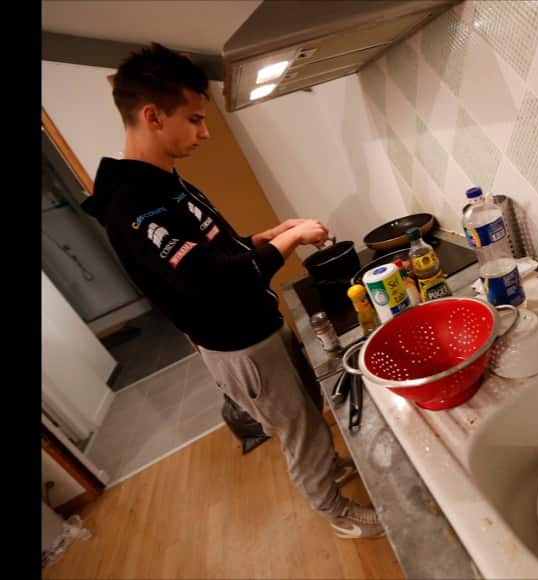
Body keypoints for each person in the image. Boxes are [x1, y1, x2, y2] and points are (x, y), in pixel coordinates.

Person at [81, 43, 384, 539]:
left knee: (308, 412)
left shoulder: (164, 184)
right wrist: (290, 240)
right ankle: (336, 512)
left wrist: (265, 236)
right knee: (299, 432)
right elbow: (213, 280)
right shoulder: (134, 205)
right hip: (238, 344)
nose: (205, 132)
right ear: (154, 116)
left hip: (257, 325)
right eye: (195, 119)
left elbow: (218, 252)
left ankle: (327, 469)